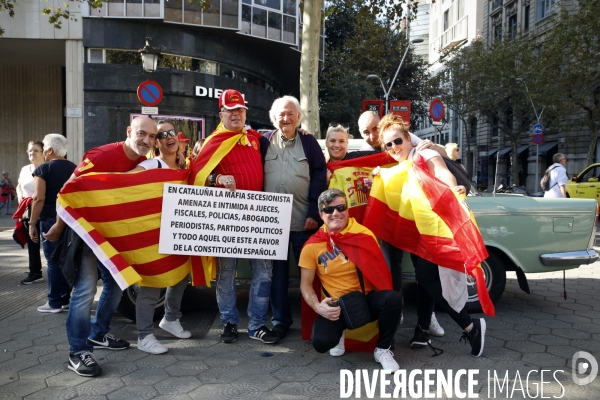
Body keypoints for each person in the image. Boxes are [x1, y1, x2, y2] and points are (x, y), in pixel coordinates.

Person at [43, 116, 159, 377]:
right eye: (142, 134)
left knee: (117, 284)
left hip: (115, 237)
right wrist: (60, 225)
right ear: (129, 131)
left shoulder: (147, 162)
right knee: (85, 290)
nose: (147, 141)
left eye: (152, 137)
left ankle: (98, 334)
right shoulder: (102, 155)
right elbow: (68, 189)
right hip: (88, 234)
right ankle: (78, 350)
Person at [376, 113, 485, 357]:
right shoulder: (404, 162)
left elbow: (442, 171)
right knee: (425, 280)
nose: (393, 147)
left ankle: (470, 325)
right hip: (421, 231)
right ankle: (426, 330)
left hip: (437, 229)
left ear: (408, 138)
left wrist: (452, 188)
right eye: (388, 144)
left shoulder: (424, 152)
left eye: (397, 141)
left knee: (426, 280)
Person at [197, 89, 278, 344]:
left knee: (264, 272)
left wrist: (303, 133)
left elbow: (279, 138)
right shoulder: (213, 141)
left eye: (240, 109)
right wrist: (217, 178)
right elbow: (196, 177)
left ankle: (256, 325)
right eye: (231, 110)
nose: (236, 114)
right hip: (227, 216)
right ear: (221, 113)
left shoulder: (254, 137)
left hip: (259, 214)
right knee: (226, 272)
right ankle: (229, 322)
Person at [299, 188, 403, 371]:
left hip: (365, 301)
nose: (336, 213)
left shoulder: (363, 235)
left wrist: (390, 315)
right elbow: (306, 285)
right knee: (322, 343)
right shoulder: (312, 246)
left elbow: (379, 273)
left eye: (341, 207)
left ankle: (383, 349)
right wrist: (318, 307)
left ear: (347, 210)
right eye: (329, 210)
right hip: (336, 307)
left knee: (393, 299)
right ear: (321, 214)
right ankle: (339, 333)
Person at [260, 95, 327, 340]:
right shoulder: (263, 141)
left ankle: (316, 321)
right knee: (276, 276)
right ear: (273, 118)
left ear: (299, 117)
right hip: (272, 225)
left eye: (290, 114)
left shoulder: (309, 143)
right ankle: (281, 322)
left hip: (304, 223)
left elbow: (320, 177)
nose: (285, 118)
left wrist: (313, 213)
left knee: (310, 274)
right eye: (281, 114)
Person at [129, 120, 191, 354]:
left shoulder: (184, 166)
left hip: (178, 233)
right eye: (162, 135)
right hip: (155, 234)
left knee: (180, 277)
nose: (169, 137)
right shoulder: (150, 165)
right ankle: (144, 336)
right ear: (157, 142)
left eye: (171, 132)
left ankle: (171, 319)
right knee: (152, 285)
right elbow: (125, 183)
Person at [29, 134, 76, 313]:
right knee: (65, 258)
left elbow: (38, 198)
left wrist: (32, 223)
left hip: (49, 218)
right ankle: (65, 298)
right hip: (69, 219)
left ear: (49, 150)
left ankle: (54, 302)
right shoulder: (74, 168)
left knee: (53, 260)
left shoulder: (43, 169)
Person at [17, 141, 45, 285]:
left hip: (45, 208)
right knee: (32, 242)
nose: (32, 153)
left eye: (35, 150)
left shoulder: (47, 168)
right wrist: (20, 195)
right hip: (28, 209)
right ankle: (35, 272)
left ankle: (58, 272)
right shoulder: (24, 169)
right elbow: (19, 185)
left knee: (49, 241)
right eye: (30, 151)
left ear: (43, 152)